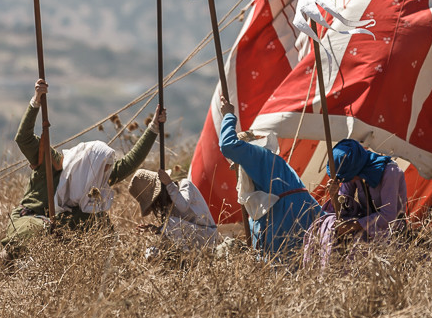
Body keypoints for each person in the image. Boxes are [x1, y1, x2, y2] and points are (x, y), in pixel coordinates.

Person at [0, 79, 165, 260]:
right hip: (29, 220)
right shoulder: (55, 163)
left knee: (98, 224)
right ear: (90, 165)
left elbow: (130, 162)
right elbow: (23, 139)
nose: (107, 174)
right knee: (36, 232)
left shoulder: (96, 177)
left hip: (60, 229)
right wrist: (36, 101)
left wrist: (154, 128)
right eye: (105, 168)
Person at [217, 98, 321, 259]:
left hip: (288, 214)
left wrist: (228, 115)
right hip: (290, 211)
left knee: (285, 266)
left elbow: (227, 145)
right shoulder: (263, 164)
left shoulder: (257, 155)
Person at [303, 138, 408, 265]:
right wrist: (335, 194)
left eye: (349, 177)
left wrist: (354, 225)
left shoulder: (390, 172)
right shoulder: (352, 173)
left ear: (357, 169)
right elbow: (342, 208)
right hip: (364, 224)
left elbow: (389, 216)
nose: (349, 181)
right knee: (327, 223)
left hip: (389, 230)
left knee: (357, 246)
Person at [129, 166, 218, 254]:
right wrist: (155, 230)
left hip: (208, 237)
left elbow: (183, 206)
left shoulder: (185, 185)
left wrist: (169, 184)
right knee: (152, 251)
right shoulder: (167, 207)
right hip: (194, 242)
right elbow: (174, 233)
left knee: (170, 223)